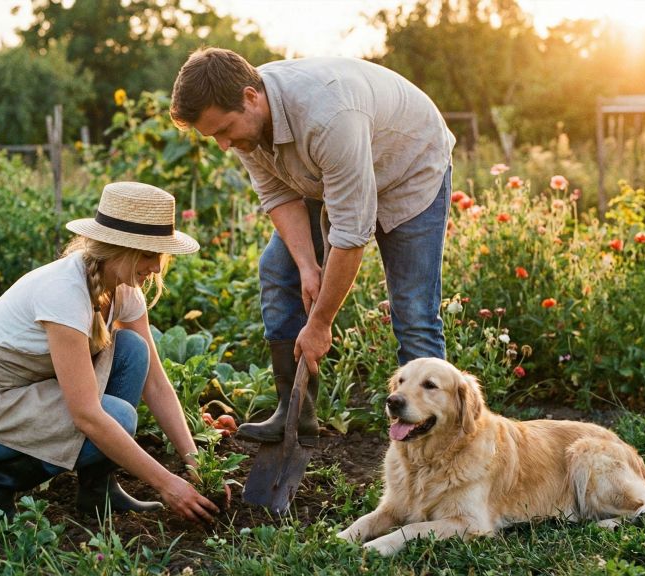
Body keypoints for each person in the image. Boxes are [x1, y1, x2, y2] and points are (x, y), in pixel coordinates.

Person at [170, 48, 455, 446]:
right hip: (330, 173)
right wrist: (307, 264)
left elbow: (351, 233)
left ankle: (436, 442)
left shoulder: (328, 116)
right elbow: (277, 196)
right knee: (278, 268)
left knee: (413, 310)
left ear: (251, 97)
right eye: (213, 135)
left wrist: (320, 323)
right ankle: (295, 410)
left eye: (225, 129)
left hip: (409, 167)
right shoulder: (246, 128)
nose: (223, 144)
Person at [0, 181, 221, 525]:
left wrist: (194, 462)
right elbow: (86, 415)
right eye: (148, 254)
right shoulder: (64, 293)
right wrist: (166, 483)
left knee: (132, 350)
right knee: (117, 418)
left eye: (160, 255)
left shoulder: (124, 287)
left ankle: (98, 491)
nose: (157, 267)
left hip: (20, 394)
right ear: (119, 247)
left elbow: (156, 384)